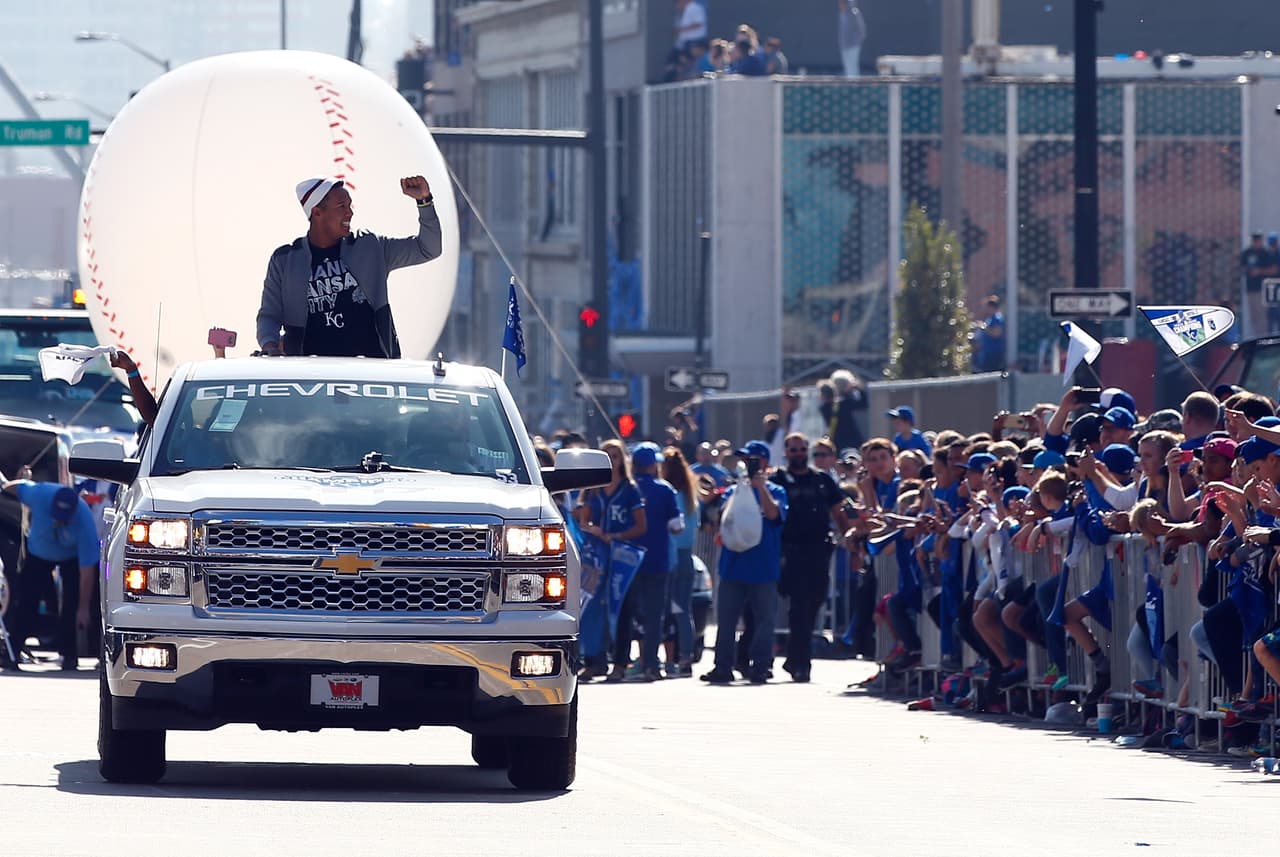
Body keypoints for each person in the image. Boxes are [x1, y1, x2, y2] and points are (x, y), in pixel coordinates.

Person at [256, 175, 443, 357]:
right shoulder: (285, 260)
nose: (350, 212)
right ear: (317, 212)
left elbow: (428, 249)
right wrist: (270, 345)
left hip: (372, 373)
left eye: (349, 205)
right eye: (341, 206)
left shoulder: (371, 246)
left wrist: (424, 201)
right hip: (308, 377)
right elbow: (269, 316)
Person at [701, 441, 788, 685]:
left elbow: (774, 515)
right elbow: (722, 521)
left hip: (763, 567)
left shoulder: (776, 491)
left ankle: (760, 666)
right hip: (733, 566)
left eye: (753, 460)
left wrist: (761, 488)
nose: (748, 465)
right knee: (726, 621)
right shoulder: (733, 491)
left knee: (764, 621)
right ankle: (723, 666)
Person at [0, 467, 100, 672]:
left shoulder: (84, 521)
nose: (59, 521)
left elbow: (87, 573)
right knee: (27, 600)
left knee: (71, 604)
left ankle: (69, 654)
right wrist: (4, 487)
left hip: (70, 557)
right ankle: (14, 649)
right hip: (38, 554)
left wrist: (83, 609)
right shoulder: (40, 494)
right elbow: (17, 487)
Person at [769, 433, 851, 682]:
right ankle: (801, 662)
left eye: (802, 449)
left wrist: (850, 537)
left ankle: (795, 659)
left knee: (813, 603)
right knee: (799, 607)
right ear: (786, 453)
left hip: (818, 551)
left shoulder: (822, 480)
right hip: (789, 551)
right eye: (793, 450)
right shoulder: (778, 480)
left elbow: (838, 510)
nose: (798, 454)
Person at [574, 439, 647, 681]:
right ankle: (595, 661)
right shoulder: (591, 487)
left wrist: (614, 536)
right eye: (606, 455)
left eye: (616, 455)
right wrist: (591, 529)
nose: (611, 459)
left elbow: (640, 525)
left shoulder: (629, 489)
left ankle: (620, 663)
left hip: (620, 557)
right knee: (592, 607)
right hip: (596, 556)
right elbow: (583, 519)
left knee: (621, 609)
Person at [615, 443, 683, 682]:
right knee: (655, 616)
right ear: (653, 465)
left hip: (626, 562)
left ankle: (623, 662)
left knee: (627, 615)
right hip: (657, 560)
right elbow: (677, 526)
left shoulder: (626, 489)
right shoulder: (665, 490)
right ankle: (651, 665)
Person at [662, 446, 700, 677]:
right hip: (687, 557)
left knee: (667, 610)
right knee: (684, 610)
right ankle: (686, 656)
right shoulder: (691, 497)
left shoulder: (671, 496)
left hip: (672, 557)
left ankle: (669, 658)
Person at [1240, 230, 1278, 339]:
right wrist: (1248, 270)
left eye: (1258, 240)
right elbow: (1242, 267)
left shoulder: (1265, 253)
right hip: (1251, 289)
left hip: (1262, 290)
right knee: (1254, 317)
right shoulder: (1247, 253)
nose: (1256, 242)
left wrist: (1259, 271)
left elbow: (1274, 270)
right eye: (1254, 240)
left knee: (1263, 318)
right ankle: (1256, 339)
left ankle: (1263, 340)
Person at [972, 296, 1005, 373]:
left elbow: (996, 333)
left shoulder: (997, 318)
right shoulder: (989, 318)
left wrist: (983, 327)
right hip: (987, 352)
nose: (986, 309)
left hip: (994, 353)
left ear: (992, 307)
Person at [838, 0, 866, 78]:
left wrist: (856, 41)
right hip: (844, 45)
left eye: (842, 3)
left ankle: (855, 84)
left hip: (853, 45)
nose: (840, 5)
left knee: (852, 65)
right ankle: (850, 83)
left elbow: (861, 29)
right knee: (847, 66)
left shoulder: (854, 13)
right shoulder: (842, 14)